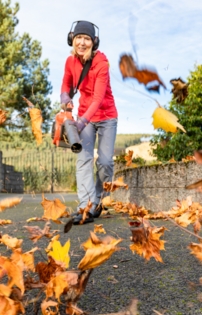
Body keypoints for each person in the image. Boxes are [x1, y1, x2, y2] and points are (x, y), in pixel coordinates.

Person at [60, 21, 118, 225]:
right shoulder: (70, 62)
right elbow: (66, 84)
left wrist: (82, 122)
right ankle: (86, 207)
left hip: (106, 116)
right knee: (83, 159)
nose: (82, 42)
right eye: (78, 38)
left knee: (104, 163)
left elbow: (98, 98)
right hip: (84, 115)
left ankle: (99, 200)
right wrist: (64, 98)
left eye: (86, 39)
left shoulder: (101, 64)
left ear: (94, 42)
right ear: (72, 39)